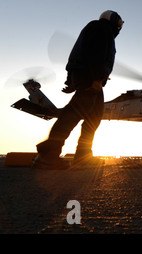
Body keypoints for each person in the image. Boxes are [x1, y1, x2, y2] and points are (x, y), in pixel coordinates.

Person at [33, 10, 123, 170]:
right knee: (74, 112)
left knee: (94, 117)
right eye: (120, 22)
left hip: (86, 75)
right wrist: (96, 78)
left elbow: (78, 53)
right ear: (113, 20)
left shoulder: (95, 28)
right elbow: (96, 53)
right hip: (91, 76)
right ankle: (48, 156)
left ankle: (83, 155)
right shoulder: (102, 29)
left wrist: (71, 81)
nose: (120, 26)